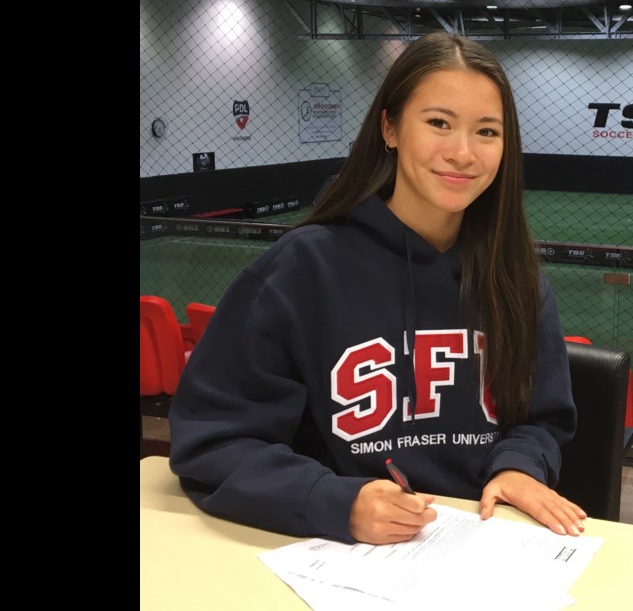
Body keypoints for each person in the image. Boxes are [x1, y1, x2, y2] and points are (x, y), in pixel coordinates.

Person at [169, 32, 585, 546]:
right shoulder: (303, 268)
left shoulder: (515, 275)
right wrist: (332, 500)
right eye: (438, 123)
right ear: (389, 127)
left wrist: (520, 467)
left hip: (483, 546)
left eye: (487, 132)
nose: (462, 153)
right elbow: (213, 439)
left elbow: (541, 419)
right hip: (332, 556)